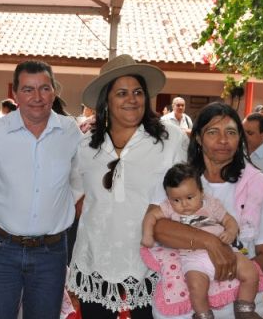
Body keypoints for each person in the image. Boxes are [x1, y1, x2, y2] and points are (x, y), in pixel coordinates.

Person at [67, 54, 187, 318]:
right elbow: (75, 199)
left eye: (138, 92)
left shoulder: (171, 140)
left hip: (153, 262)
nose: (132, 99)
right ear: (106, 101)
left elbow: (189, 197)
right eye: (122, 93)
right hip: (97, 259)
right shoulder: (86, 146)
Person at [151, 102, 263, 319]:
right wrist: (211, 244)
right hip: (181, 308)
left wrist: (221, 280)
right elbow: (157, 228)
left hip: (236, 308)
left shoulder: (258, 185)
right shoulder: (176, 180)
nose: (223, 140)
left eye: (231, 132)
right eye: (213, 132)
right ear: (198, 138)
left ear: (239, 138)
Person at [0, 60, 82, 319]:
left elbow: (82, 178)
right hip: (2, 249)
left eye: (44, 88)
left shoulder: (69, 131)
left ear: (54, 91)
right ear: (15, 94)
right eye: (28, 89)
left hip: (51, 252)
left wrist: (65, 208)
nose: (37, 97)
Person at [141, 164, 260, 319]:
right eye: (176, 200)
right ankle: (203, 315)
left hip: (224, 250)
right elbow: (151, 216)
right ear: (169, 199)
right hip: (194, 258)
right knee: (196, 287)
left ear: (201, 192)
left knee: (250, 272)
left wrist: (230, 232)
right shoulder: (168, 207)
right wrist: (147, 235)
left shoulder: (211, 204)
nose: (184, 204)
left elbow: (229, 220)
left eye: (190, 197)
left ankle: (245, 309)